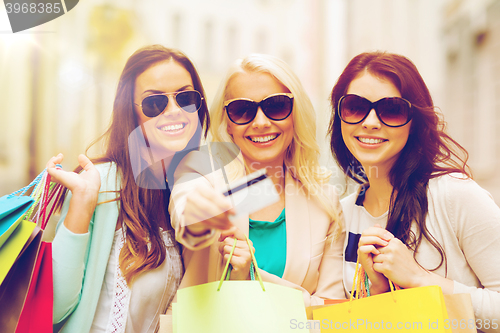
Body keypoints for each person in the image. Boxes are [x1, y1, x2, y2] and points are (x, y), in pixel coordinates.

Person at [46, 45, 210, 333]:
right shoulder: (103, 183)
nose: (174, 111)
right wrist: (82, 205)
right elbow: (54, 308)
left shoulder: (192, 188)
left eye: (185, 98)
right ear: (131, 114)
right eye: (154, 103)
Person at [329, 51, 500, 325]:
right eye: (355, 107)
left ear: (415, 122)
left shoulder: (455, 196)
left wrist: (419, 278)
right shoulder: (342, 214)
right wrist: (379, 288)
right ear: (339, 117)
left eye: (392, 109)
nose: (371, 122)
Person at [169, 53, 345, 307]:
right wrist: (201, 217)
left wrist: (253, 277)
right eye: (242, 111)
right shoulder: (201, 173)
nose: (261, 123)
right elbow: (187, 211)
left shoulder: (324, 200)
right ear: (227, 123)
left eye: (276, 106)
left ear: (295, 115)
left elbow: (333, 309)